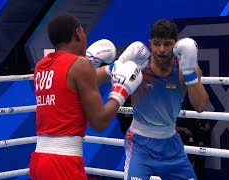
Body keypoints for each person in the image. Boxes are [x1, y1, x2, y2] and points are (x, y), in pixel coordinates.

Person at [29, 14, 144, 180]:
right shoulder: (80, 66)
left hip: (40, 161)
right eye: (83, 33)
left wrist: (112, 68)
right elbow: (99, 122)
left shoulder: (42, 66)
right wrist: (121, 90)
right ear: (77, 33)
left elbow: (76, 84)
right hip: (63, 163)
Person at [123, 19, 209, 180]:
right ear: (150, 43)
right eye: (156, 44)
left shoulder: (185, 68)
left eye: (167, 44)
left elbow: (201, 106)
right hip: (140, 144)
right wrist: (118, 69)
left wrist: (190, 73)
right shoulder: (139, 66)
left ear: (176, 45)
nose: (161, 49)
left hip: (171, 145)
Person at [176, 100, 211, 180]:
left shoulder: (201, 112)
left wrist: (201, 129)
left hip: (197, 139)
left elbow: (207, 126)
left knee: (199, 163)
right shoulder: (182, 110)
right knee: (185, 162)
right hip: (185, 140)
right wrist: (184, 129)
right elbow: (173, 127)